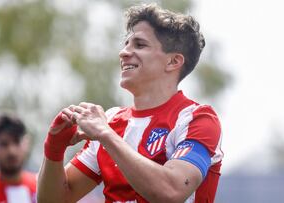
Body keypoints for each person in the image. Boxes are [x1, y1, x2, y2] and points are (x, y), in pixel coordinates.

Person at [38, 3, 223, 203]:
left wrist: (105, 135)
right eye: (126, 43)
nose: (124, 52)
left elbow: (171, 191)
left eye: (139, 45)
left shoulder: (198, 119)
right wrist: (54, 149)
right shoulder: (110, 121)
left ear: (173, 62)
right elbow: (54, 200)